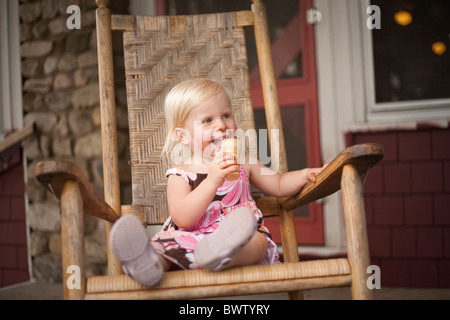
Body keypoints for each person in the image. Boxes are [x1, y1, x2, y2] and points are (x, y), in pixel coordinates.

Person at [110, 79, 326, 286]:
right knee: (164, 246)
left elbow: (278, 184)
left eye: (226, 115)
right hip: (191, 239)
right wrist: (212, 180)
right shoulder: (181, 173)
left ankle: (223, 253)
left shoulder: (244, 162)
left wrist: (304, 174)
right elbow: (182, 218)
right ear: (183, 136)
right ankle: (148, 264)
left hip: (238, 240)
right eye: (208, 120)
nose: (222, 125)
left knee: (258, 242)